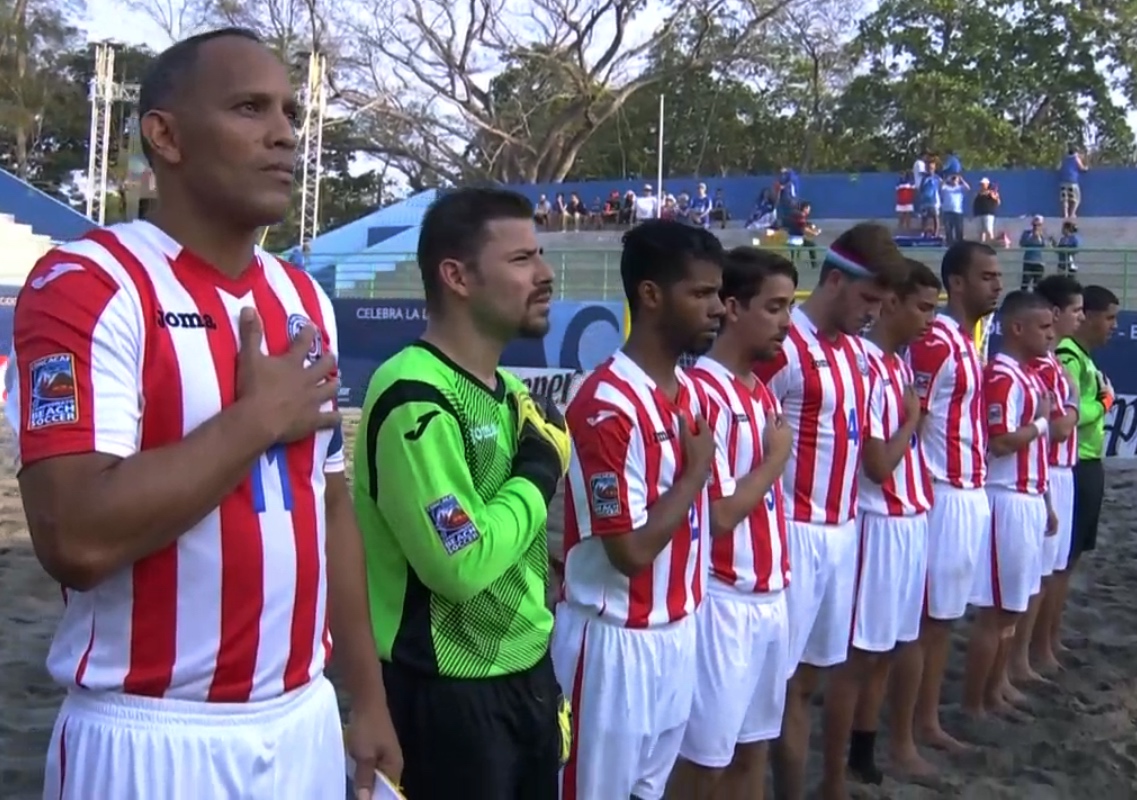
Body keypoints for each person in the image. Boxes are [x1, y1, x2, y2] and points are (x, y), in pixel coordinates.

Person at [7, 28, 401, 799]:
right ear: (166, 135)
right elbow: (75, 538)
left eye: (290, 111)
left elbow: (328, 507)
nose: (286, 132)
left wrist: (369, 699)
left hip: (304, 718)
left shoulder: (301, 298)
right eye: (250, 108)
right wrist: (257, 419)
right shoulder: (89, 281)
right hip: (152, 734)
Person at [352, 188, 568, 798]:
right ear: (457, 276)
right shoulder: (413, 393)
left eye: (541, 255)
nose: (546, 274)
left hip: (526, 674)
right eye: (522, 259)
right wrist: (539, 476)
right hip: (449, 692)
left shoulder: (505, 391)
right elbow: (460, 562)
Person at [553, 221, 723, 800]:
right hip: (612, 644)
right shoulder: (605, 404)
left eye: (718, 294)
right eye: (700, 294)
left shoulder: (692, 391)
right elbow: (628, 551)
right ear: (651, 295)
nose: (718, 309)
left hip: (678, 632)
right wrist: (696, 471)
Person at [753, 223, 909, 800]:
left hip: (842, 532)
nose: (873, 312)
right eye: (868, 299)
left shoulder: (855, 355)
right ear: (836, 280)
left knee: (812, 681)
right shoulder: (782, 346)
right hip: (792, 533)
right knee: (783, 690)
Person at [671, 248, 796, 799]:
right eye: (774, 308)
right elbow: (717, 515)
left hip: (770, 597)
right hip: (724, 600)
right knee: (703, 763)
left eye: (789, 308)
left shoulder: (760, 389)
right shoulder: (702, 392)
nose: (787, 323)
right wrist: (774, 461)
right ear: (733, 307)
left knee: (753, 752)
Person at [824, 260, 940, 796]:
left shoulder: (897, 365)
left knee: (888, 646)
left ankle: (865, 750)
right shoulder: (868, 367)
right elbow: (876, 462)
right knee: (862, 652)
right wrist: (914, 420)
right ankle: (840, 764)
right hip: (878, 520)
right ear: (890, 302)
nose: (928, 321)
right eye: (921, 307)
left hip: (908, 517)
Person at [898, 240, 1002, 759]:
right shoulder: (934, 342)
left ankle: (927, 720)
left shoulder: (966, 340)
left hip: (968, 490)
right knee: (924, 622)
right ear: (956, 283)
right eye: (987, 275)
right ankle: (904, 736)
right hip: (940, 492)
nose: (998, 284)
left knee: (943, 620)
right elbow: (911, 420)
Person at [962, 290, 1057, 719]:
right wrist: (1040, 423)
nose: (1050, 335)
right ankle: (977, 701)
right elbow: (1000, 441)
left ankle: (996, 688)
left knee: (1013, 607)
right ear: (1016, 328)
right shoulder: (1002, 376)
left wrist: (1047, 500)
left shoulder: (1028, 374)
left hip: (1030, 495)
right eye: (1044, 327)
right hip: (1007, 499)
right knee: (998, 610)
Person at [1022, 275, 1083, 676]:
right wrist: (1079, 406)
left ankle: (1031, 654)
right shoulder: (1047, 366)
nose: (1080, 318)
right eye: (1076, 311)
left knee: (1050, 572)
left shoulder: (1055, 363)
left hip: (1060, 470)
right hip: (1045, 472)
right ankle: (1021, 660)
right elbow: (1060, 426)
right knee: (1036, 578)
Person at [1054, 285, 1119, 632]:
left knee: (1071, 557)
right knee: (1062, 561)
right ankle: (1039, 646)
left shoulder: (1082, 356)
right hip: (1076, 462)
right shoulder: (1069, 355)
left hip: (1087, 460)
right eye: (1109, 318)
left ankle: (1048, 641)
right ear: (1088, 317)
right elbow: (1073, 413)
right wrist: (1105, 404)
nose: (1114, 326)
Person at [1019, 215, 1048, 291]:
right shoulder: (1026, 233)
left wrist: (1039, 237)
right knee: (1025, 283)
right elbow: (1022, 243)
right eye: (1035, 225)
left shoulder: (1044, 235)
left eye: (1039, 225)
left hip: (1039, 262)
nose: (1036, 227)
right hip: (1028, 261)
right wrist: (1031, 236)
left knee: (1037, 285)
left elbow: (1045, 245)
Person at [1058, 146, 1088, 219]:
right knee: (1076, 199)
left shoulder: (1064, 159)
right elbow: (1082, 168)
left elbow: (1058, 168)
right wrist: (1086, 168)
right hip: (1072, 182)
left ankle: (1065, 214)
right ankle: (1072, 214)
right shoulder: (1075, 158)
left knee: (1065, 199)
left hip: (1063, 181)